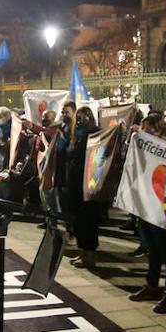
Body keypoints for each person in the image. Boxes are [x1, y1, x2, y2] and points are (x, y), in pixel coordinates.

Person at [129, 113, 166, 313]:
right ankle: (152, 285)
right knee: (152, 247)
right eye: (143, 128)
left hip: (162, 207)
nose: (144, 132)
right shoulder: (143, 145)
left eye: (148, 128)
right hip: (146, 204)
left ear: (158, 130)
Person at [65, 105, 102, 269]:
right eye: (78, 117)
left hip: (90, 183)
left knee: (89, 221)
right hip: (76, 183)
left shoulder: (96, 133)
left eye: (83, 117)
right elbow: (70, 153)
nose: (80, 120)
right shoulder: (76, 134)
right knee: (79, 220)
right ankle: (83, 252)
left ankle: (90, 255)